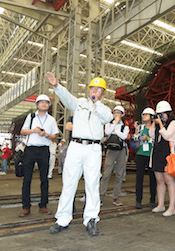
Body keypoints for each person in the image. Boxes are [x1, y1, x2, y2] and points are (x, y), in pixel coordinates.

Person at [47, 73, 113, 237]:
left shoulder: (103, 108)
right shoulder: (79, 104)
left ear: (102, 93)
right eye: (93, 88)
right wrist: (57, 85)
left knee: (92, 185)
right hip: (76, 147)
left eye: (99, 89)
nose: (95, 91)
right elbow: (67, 97)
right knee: (69, 183)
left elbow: (108, 118)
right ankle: (62, 219)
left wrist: (96, 102)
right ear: (89, 89)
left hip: (93, 149)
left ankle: (91, 219)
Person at [19, 94, 58, 217]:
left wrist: (46, 135)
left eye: (46, 102)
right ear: (37, 105)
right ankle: (26, 207)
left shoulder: (51, 120)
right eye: (41, 102)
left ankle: (43, 205)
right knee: (27, 179)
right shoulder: (31, 117)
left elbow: (54, 136)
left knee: (44, 179)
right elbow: (23, 131)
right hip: (30, 149)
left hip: (44, 150)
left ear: (48, 106)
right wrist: (34, 131)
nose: (44, 104)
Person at [150, 100, 175, 217]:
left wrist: (160, 124)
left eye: (163, 114)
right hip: (157, 154)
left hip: (167, 155)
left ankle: (172, 207)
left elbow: (167, 135)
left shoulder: (173, 123)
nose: (161, 116)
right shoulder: (157, 125)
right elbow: (152, 135)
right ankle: (161, 204)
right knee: (159, 180)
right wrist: (154, 123)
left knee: (169, 180)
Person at [100, 106, 130, 206]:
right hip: (111, 151)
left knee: (119, 174)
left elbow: (125, 136)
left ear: (122, 115)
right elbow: (107, 132)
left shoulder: (125, 126)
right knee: (106, 173)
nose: (116, 114)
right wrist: (115, 124)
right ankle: (100, 196)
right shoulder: (109, 124)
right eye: (115, 112)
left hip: (121, 150)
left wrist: (115, 131)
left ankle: (116, 197)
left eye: (119, 113)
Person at [133, 107, 157, 209]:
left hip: (151, 155)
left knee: (153, 178)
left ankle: (152, 200)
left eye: (146, 115)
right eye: (143, 115)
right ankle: (138, 200)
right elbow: (135, 139)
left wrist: (148, 138)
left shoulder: (155, 128)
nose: (144, 116)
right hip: (141, 154)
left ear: (151, 117)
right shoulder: (141, 127)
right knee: (139, 178)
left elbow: (157, 141)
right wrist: (136, 130)